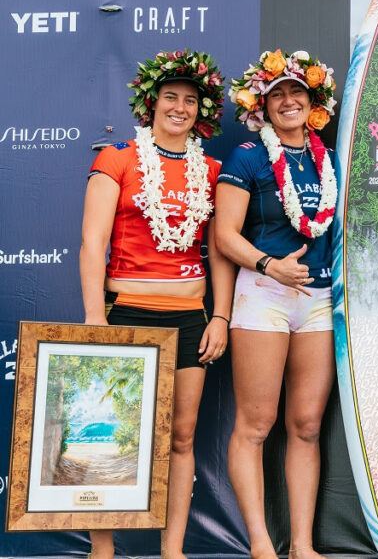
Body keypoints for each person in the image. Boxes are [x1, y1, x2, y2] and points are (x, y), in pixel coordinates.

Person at [80, 49, 233, 559]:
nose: (180, 108)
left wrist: (221, 317)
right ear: (152, 103)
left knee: (182, 436)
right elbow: (91, 243)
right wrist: (95, 319)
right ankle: (102, 549)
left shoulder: (211, 169)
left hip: (190, 317)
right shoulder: (116, 158)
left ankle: (173, 550)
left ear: (201, 112)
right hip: (126, 312)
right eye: (171, 97)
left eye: (190, 100)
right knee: (114, 436)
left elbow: (219, 254)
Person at [215, 49, 338, 559]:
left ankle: (302, 547)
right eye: (277, 94)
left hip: (320, 298)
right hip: (264, 295)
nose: (287, 101)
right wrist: (270, 265)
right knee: (256, 424)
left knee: (307, 425)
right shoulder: (248, 155)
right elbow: (224, 235)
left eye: (297, 93)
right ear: (262, 105)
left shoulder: (328, 157)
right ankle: (263, 545)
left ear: (313, 103)